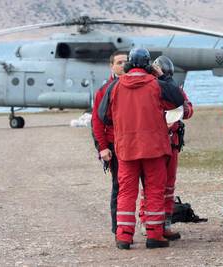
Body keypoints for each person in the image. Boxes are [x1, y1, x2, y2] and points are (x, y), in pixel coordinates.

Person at [99, 48, 184, 249]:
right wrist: (162, 77)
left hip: (126, 149)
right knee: (154, 191)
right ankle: (154, 235)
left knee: (126, 193)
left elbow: (104, 116)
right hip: (154, 148)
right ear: (148, 65)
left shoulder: (115, 86)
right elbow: (178, 100)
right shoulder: (157, 85)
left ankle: (124, 237)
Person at [138, 56, 194, 241]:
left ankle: (165, 222)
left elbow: (188, 109)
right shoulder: (148, 89)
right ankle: (148, 222)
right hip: (154, 144)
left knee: (168, 186)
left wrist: (181, 110)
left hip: (172, 144)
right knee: (150, 186)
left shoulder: (173, 89)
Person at [91, 51, 127, 235]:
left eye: (126, 62)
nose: (123, 65)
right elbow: (96, 122)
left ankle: (150, 225)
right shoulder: (103, 91)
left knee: (148, 186)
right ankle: (118, 228)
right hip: (115, 145)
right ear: (111, 66)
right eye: (119, 62)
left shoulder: (141, 85)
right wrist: (103, 148)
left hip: (136, 143)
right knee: (119, 187)